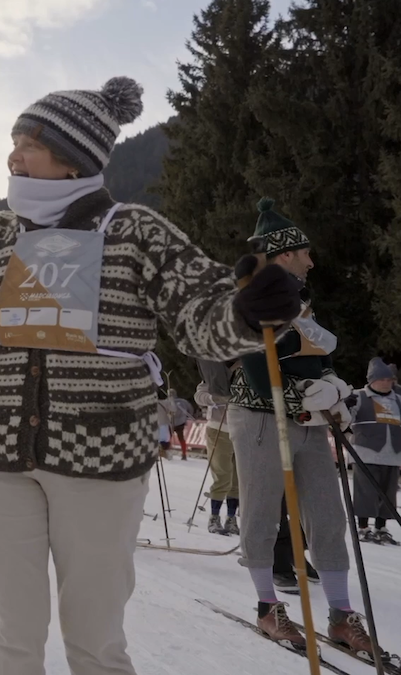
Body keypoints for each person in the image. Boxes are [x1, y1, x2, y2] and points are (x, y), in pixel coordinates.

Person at [0, 77, 308, 673]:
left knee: (96, 636)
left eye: (29, 142)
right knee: (8, 634)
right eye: (13, 140)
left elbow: (202, 317)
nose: (13, 154)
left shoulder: (134, 231)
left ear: (72, 155)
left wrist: (250, 309)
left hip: (101, 454)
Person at [225, 199, 375, 653]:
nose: (312, 260)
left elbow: (318, 356)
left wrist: (334, 392)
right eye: (305, 252)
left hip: (307, 420)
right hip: (260, 417)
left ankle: (342, 616)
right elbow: (253, 369)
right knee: (263, 512)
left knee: (328, 515)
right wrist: (300, 395)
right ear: (284, 254)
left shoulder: (301, 299)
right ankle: (268, 608)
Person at [349, 357, 401, 544]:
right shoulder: (359, 396)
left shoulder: (398, 399)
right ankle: (363, 527)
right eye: (383, 380)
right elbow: (346, 418)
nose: (387, 383)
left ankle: (382, 527)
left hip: (393, 455)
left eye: (390, 380)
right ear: (372, 380)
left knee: (388, 494)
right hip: (366, 453)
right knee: (366, 492)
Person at [194, 359, 240, 535]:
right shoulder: (215, 376)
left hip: (242, 431)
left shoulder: (246, 373)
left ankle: (231, 518)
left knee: (237, 479)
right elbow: (200, 396)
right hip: (219, 429)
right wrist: (215, 398)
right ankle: (214, 517)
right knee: (223, 476)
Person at [167, 388, 193, 459]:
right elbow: (190, 409)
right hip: (181, 422)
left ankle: (167, 452)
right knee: (181, 438)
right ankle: (184, 454)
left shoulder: (167, 402)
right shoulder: (183, 401)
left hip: (171, 422)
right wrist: (187, 417)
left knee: (168, 438)